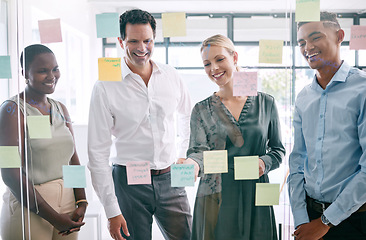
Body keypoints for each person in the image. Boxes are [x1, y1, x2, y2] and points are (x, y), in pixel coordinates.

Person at [88, 9, 192, 240]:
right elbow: (97, 152)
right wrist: (111, 210)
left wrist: (183, 155)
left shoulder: (171, 75)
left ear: (154, 39)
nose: (142, 48)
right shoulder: (105, 85)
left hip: (170, 178)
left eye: (147, 40)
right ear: (120, 41)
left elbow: (188, 116)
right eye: (133, 41)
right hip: (128, 183)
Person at [178, 34, 285, 240]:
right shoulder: (201, 109)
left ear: (234, 57)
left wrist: (265, 162)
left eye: (219, 59)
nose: (214, 69)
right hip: (215, 194)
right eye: (207, 64)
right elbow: (197, 152)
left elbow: (278, 150)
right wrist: (191, 165)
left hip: (255, 192)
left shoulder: (266, 103)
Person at [288, 11, 366, 240]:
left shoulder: (362, 90)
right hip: (310, 219)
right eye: (301, 42)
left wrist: (326, 221)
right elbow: (297, 162)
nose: (307, 47)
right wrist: (302, 219)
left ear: (339, 35)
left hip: (355, 220)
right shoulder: (303, 97)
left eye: (315, 37)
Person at [0, 44, 87, 240]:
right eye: (42, 71)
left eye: (55, 69)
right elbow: (10, 174)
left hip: (67, 205)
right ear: (25, 73)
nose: (51, 76)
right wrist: (53, 217)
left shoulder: (61, 108)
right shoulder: (10, 111)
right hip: (30, 206)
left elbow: (72, 158)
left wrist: (81, 201)